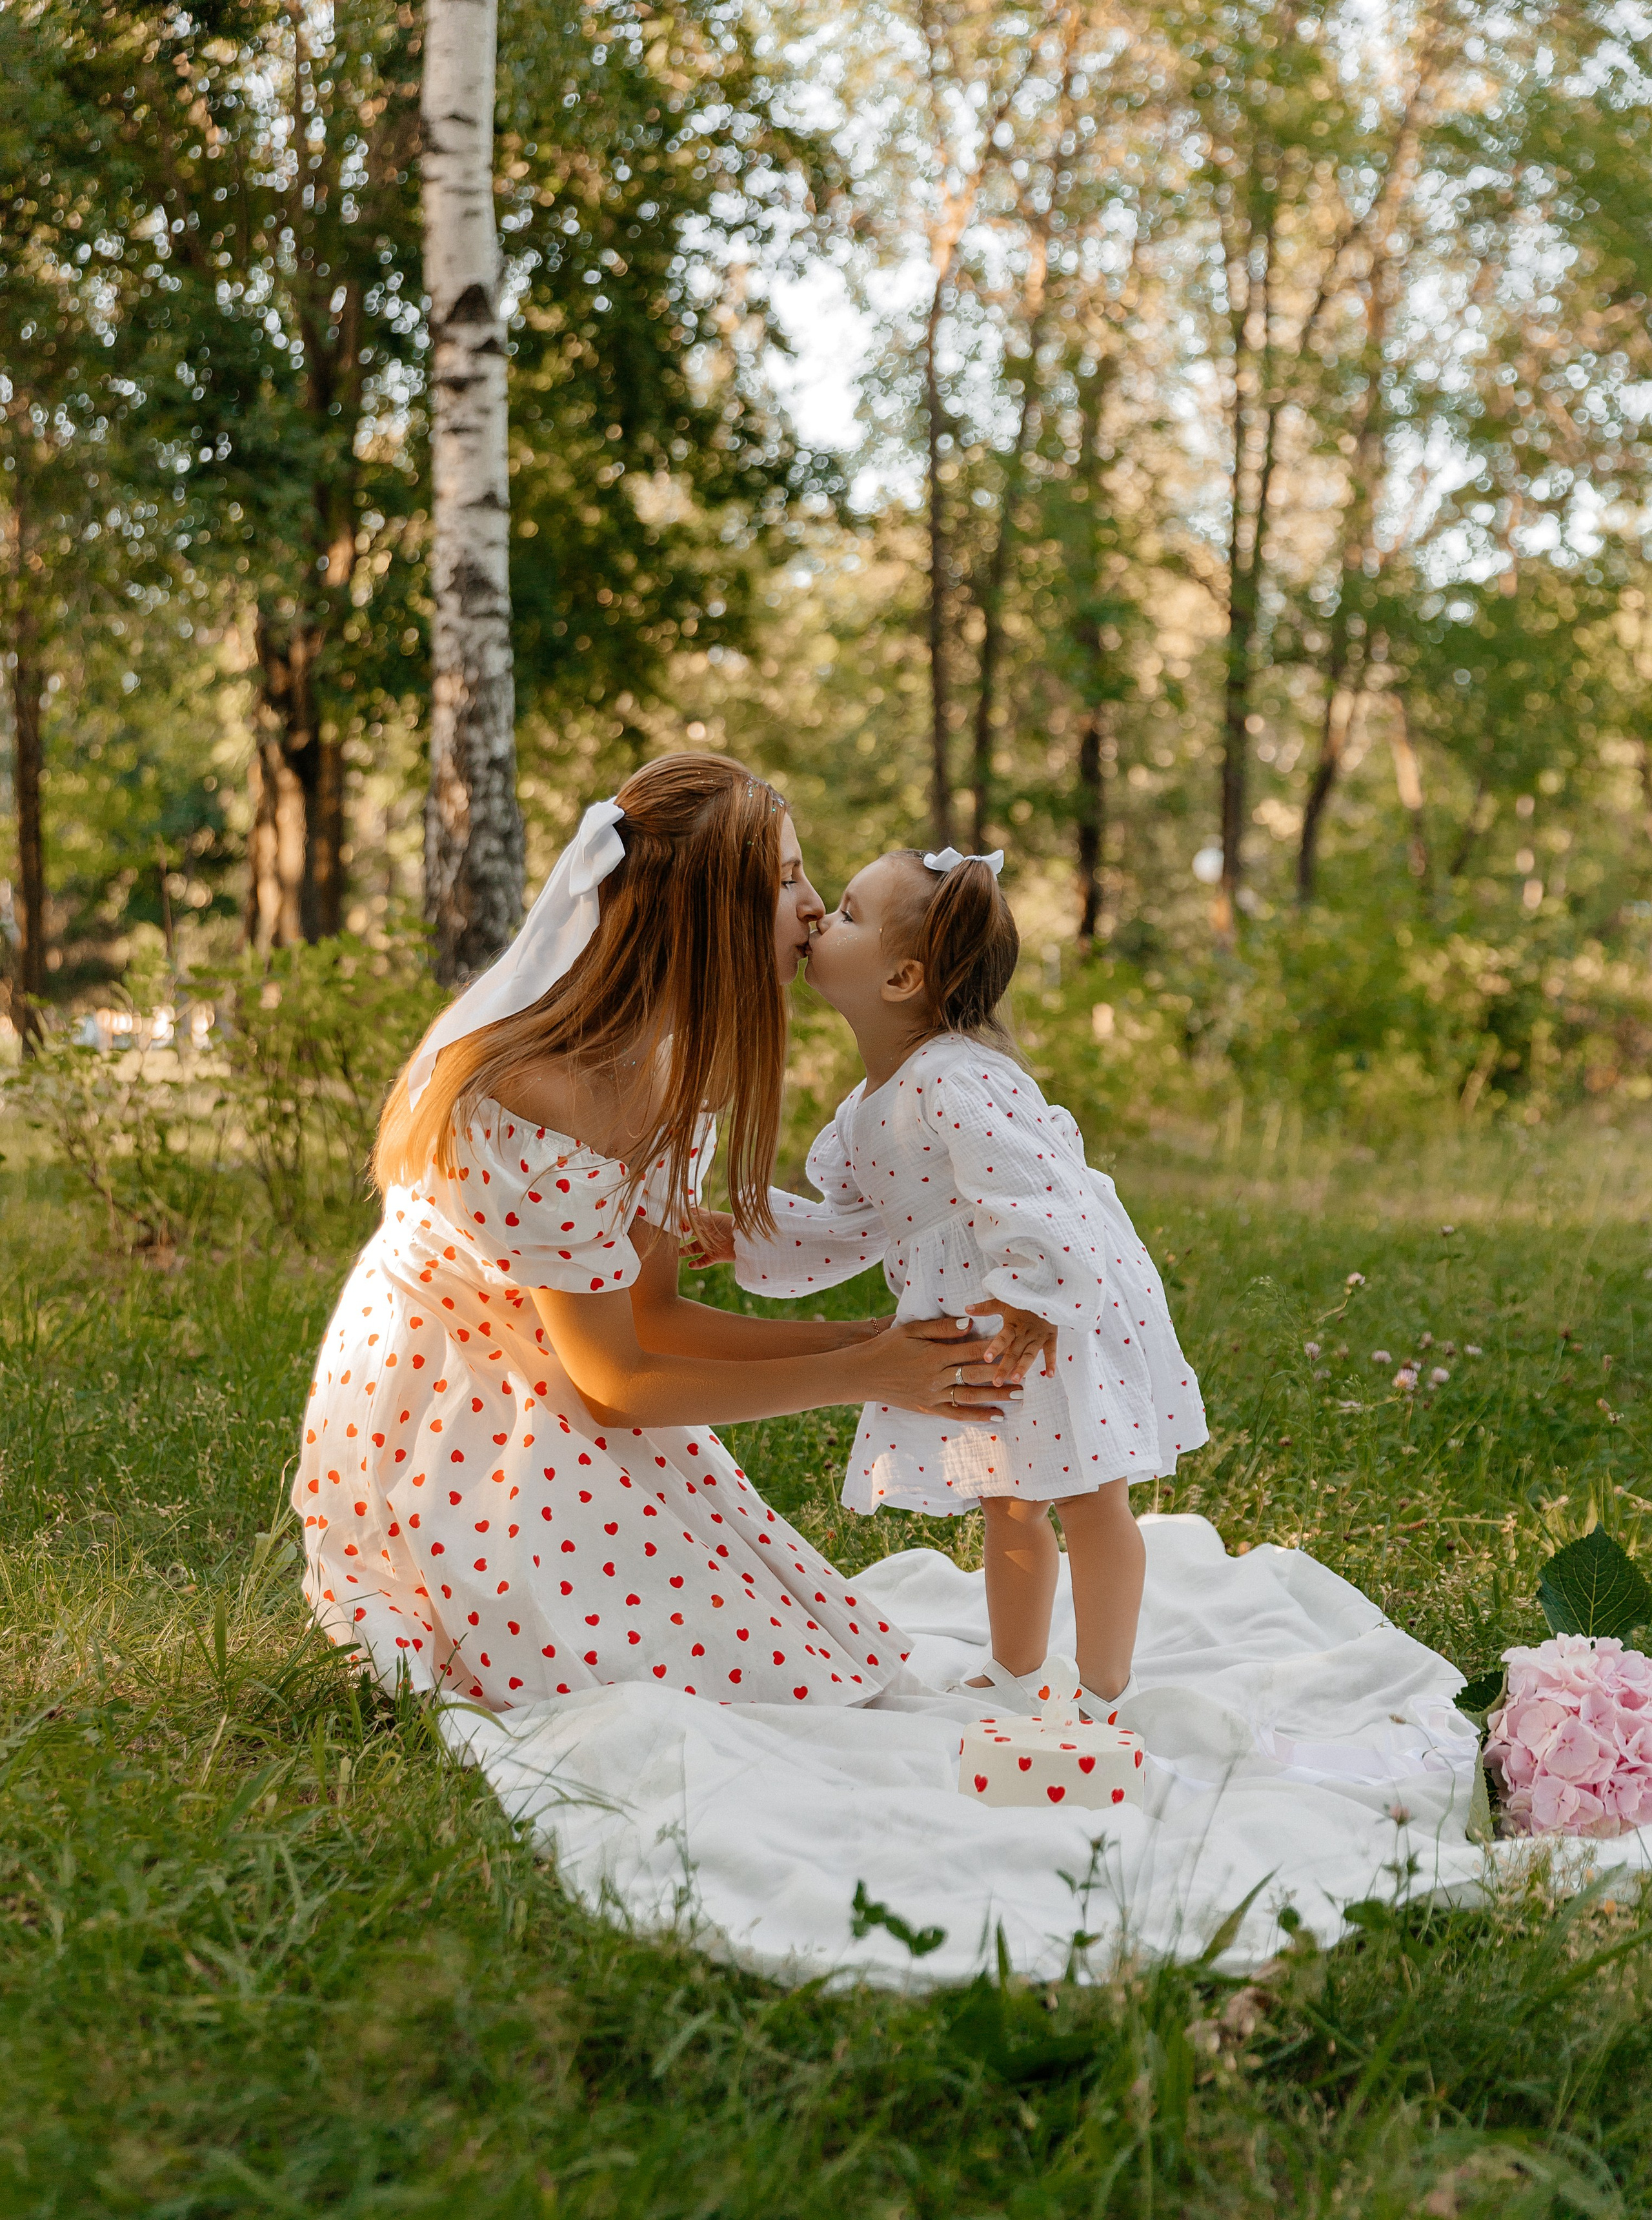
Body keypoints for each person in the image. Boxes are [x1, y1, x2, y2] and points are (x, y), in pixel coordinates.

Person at [292, 758, 1011, 1711]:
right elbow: (619, 1380)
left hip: (567, 1357)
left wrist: (886, 1347)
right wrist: (864, 1371)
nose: (809, 908)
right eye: (788, 881)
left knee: (784, 1639)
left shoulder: (679, 1070)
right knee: (615, 1651)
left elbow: (654, 1316)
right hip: (455, 1387)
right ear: (706, 917)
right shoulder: (541, 1094)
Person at [733, 845, 1207, 1719]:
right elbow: (855, 1229)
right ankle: (1018, 1670)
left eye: (842, 913)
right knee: (1011, 1493)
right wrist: (744, 1231)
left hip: (1051, 1302)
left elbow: (1042, 1192)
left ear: (902, 976)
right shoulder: (867, 1108)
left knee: (1089, 1495)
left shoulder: (956, 1080)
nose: (815, 920)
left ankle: (1103, 1690)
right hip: (996, 1305)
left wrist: (1037, 1300)